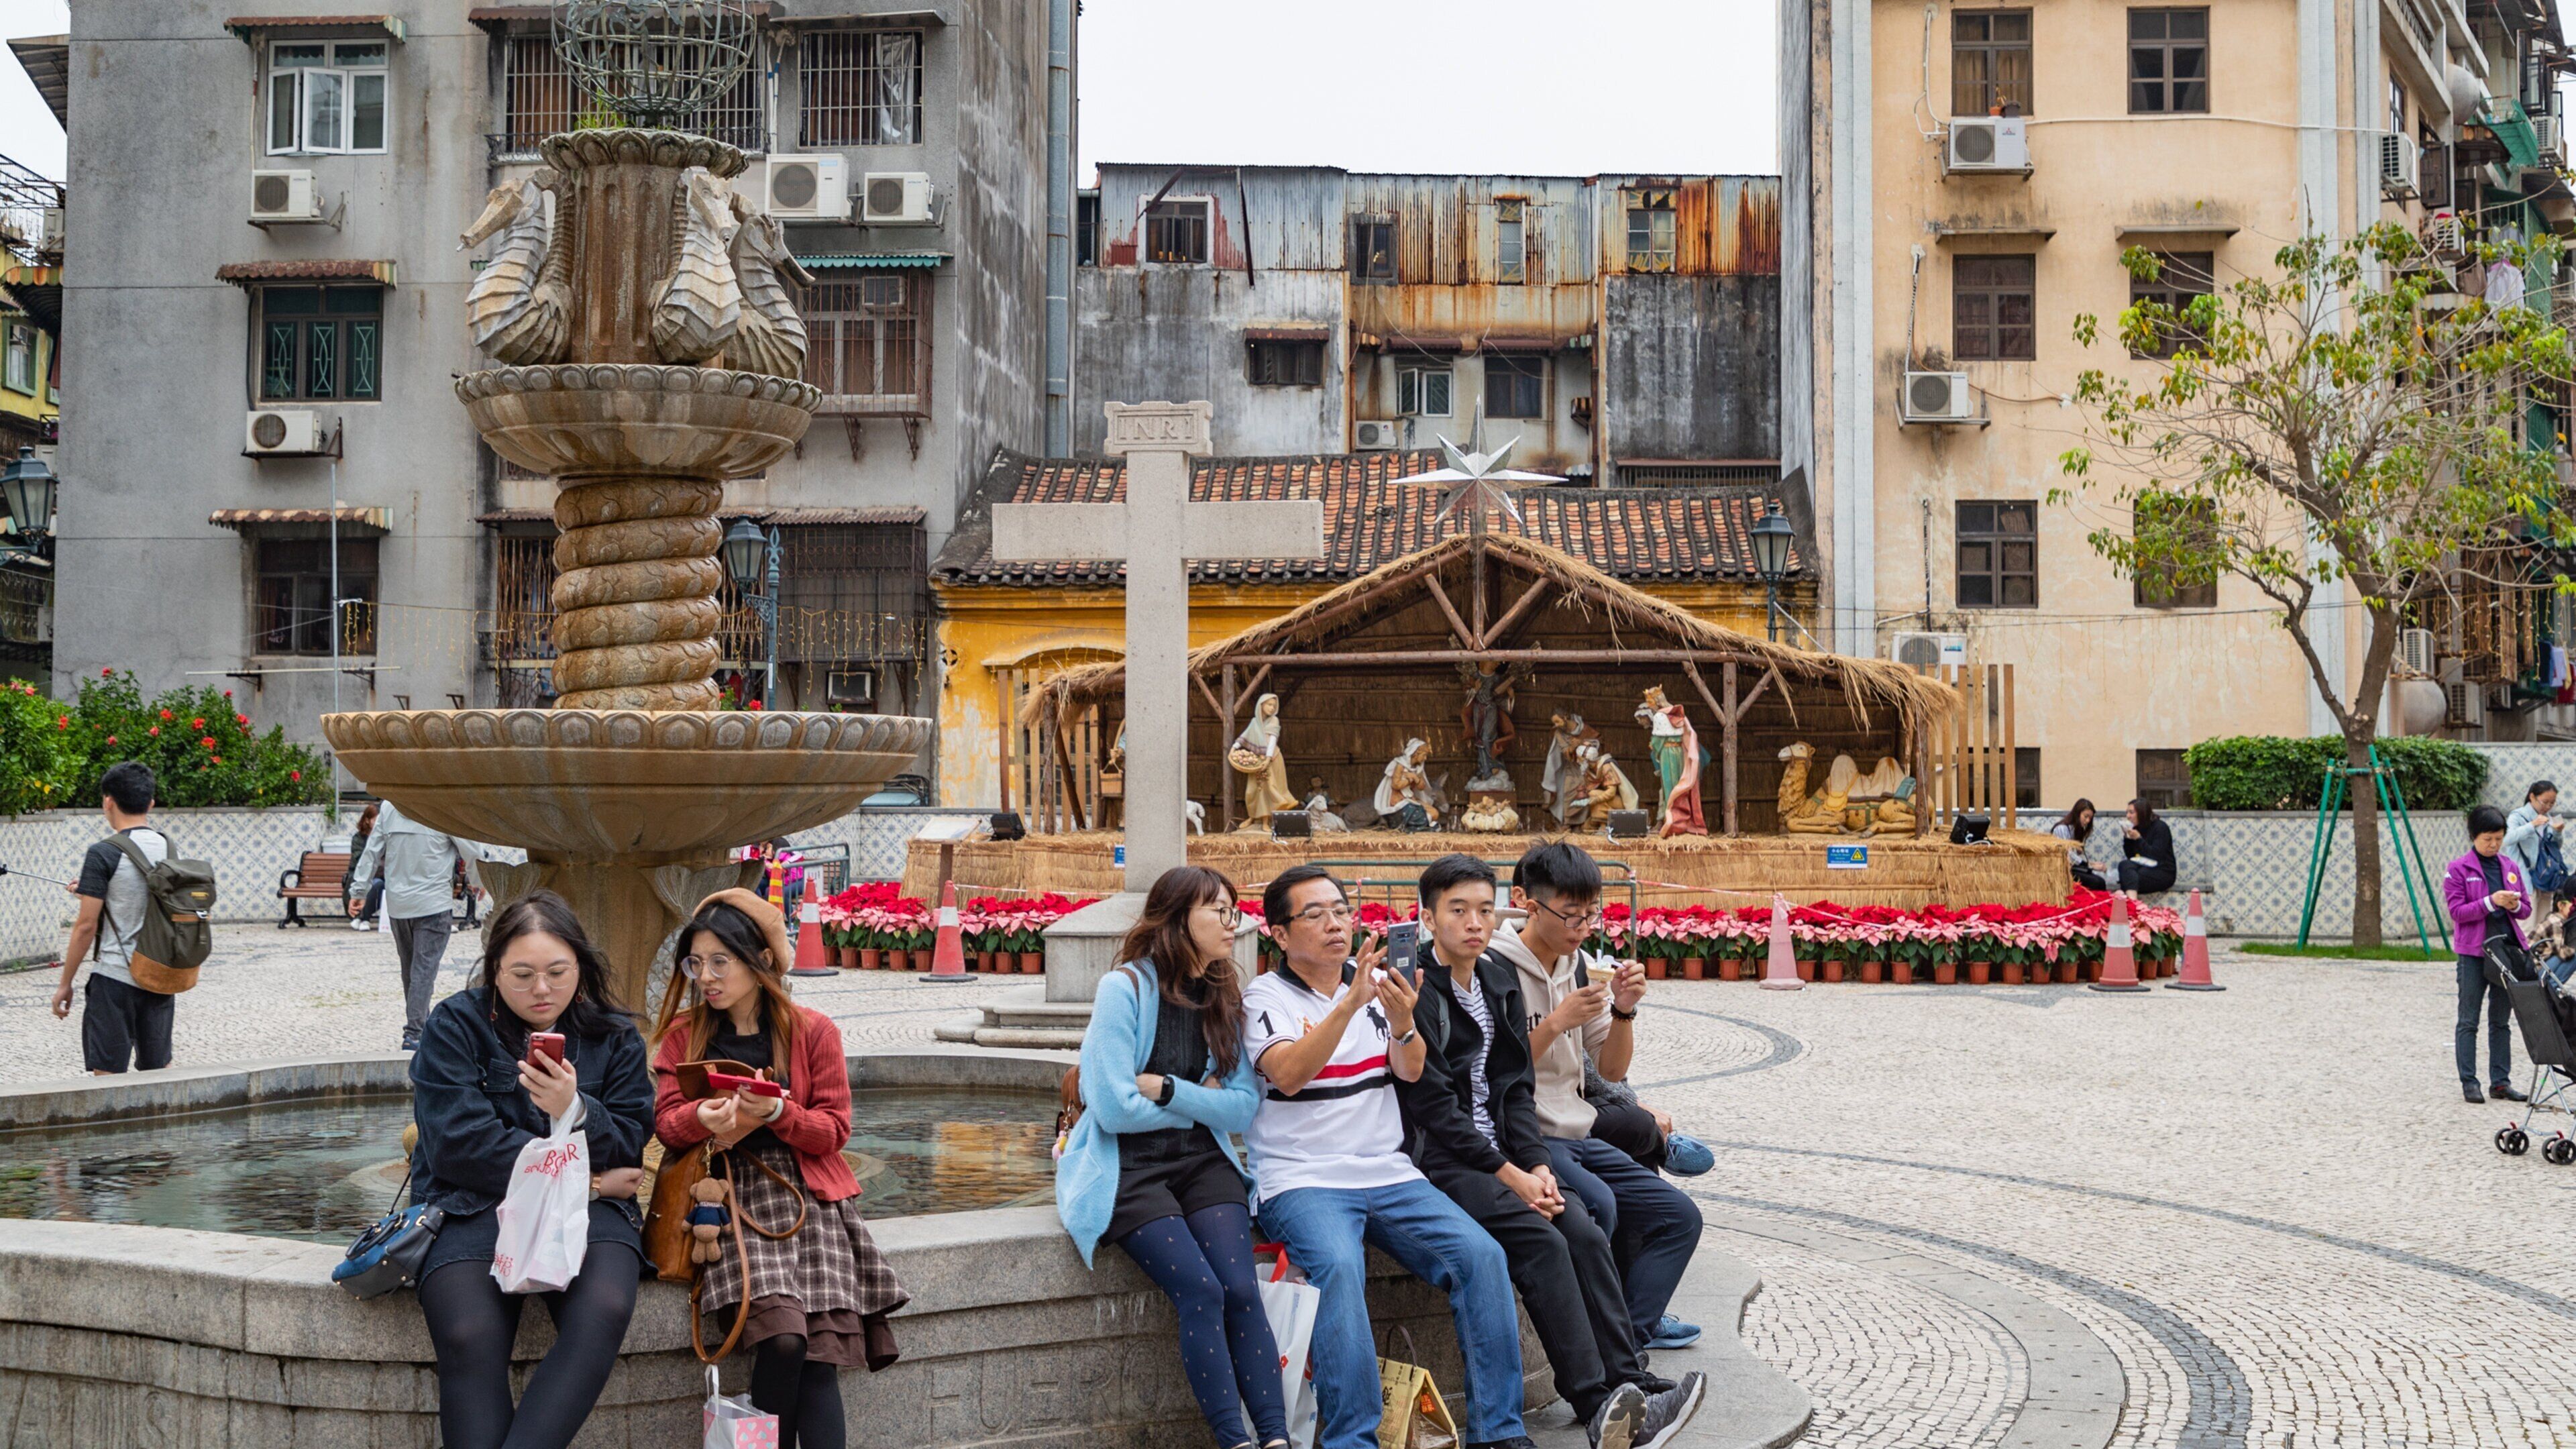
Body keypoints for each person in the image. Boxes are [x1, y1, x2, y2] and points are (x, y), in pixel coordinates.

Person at [1396, 854, 1705, 1449]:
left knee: (1584, 1231)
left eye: (1484, 910)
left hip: (1515, 1149)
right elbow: (1436, 1109)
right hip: (1448, 1159)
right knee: (1542, 1239)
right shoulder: (1418, 992)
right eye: (1457, 910)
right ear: (1428, 918)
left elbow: (1515, 1088)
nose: (1474, 923)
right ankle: (1598, 1405)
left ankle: (1629, 1381)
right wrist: (1513, 1173)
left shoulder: (1494, 980)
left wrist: (1535, 1162)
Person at [1245, 864, 1536, 1449]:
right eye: (1316, 915)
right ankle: (1353, 1440)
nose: (1335, 925)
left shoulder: (1376, 984)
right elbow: (1290, 1075)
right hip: (1302, 1179)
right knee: (1338, 1268)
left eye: (1340, 911)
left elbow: (1408, 1068)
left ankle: (1499, 1433)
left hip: (1389, 1172)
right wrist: (1350, 1005)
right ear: (1279, 934)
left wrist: (1403, 1023)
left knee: (1481, 1255)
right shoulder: (1264, 997)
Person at [653, 890, 907, 1449]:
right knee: (787, 1339)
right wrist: (701, 1115)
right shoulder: (683, 1034)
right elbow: (667, 1127)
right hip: (727, 1200)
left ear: (761, 960)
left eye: (721, 962)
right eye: (696, 963)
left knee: (818, 1358)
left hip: (807, 1198)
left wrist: (777, 1112)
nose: (706, 977)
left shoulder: (813, 1030)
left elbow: (835, 1130)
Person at [408, 891, 653, 1449]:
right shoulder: (454, 1025)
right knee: (469, 1332)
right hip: (472, 1203)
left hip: (591, 1215)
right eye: (522, 974)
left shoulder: (613, 1035)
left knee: (606, 1308)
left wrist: (575, 1109)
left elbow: (633, 1140)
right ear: (494, 969)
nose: (541, 990)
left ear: (580, 967)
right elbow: (457, 1146)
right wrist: (584, 1178)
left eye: (556, 972)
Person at [1057, 867, 1286, 1449]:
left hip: (1202, 1164)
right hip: (1128, 1169)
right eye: (1220, 911)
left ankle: (1278, 1439)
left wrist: (1163, 1089)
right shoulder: (1125, 989)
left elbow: (1240, 1111)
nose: (1233, 925)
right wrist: (1198, 1101)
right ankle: (1235, 1440)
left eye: (1235, 912)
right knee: (1201, 1291)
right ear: (1180, 917)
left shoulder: (1224, 995)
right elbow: (1111, 1110)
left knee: (1240, 1288)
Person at [1494, 841, 1705, 1352]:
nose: (1583, 926)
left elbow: (1610, 1069)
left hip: (1579, 1130)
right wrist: (1557, 1021)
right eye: (1571, 915)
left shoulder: (1579, 964)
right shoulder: (1492, 968)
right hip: (1525, 1136)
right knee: (1600, 1205)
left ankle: (1626, 1344)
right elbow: (1493, 1068)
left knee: (1680, 1217)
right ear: (1528, 903)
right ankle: (1605, 1353)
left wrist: (1624, 1010)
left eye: (1592, 914)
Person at [47, 761, 175, 1075]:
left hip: (116, 978)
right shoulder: (168, 847)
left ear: (108, 801)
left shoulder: (103, 852)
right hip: (159, 975)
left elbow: (86, 926)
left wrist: (65, 983)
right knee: (159, 1074)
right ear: (150, 803)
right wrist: (92, 891)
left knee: (109, 1078)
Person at [354, 799, 496, 1051]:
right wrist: (478, 879)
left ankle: (421, 1029)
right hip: (433, 905)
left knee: (412, 970)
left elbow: (372, 852)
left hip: (398, 905)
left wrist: (360, 889)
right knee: (423, 970)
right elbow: (470, 848)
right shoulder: (443, 804)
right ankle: (415, 1034)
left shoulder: (389, 806)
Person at [2445, 804, 2534, 1106]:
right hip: (2474, 953)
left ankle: (2501, 1082)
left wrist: (2513, 906)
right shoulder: (2458, 869)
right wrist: (2489, 902)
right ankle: (2469, 1082)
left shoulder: (2509, 867)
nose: (2494, 845)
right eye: (2487, 839)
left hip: (2506, 952)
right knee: (2469, 1019)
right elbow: (2457, 912)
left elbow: (2526, 909)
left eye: (2499, 838)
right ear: (2473, 836)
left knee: (2501, 1021)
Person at [2506, 781, 2565, 919]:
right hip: (2525, 878)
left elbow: (2555, 849)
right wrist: (2532, 825)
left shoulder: (2548, 819)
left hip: (2546, 878)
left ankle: (2542, 943)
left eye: (2552, 803)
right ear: (2532, 797)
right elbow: (2507, 839)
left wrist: (2557, 833)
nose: (2548, 807)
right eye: (2545, 802)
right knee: (2526, 925)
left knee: (2543, 925)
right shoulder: (2518, 816)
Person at [2114, 800, 2176, 898]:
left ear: (2142, 813)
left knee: (2132, 877)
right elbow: (2131, 856)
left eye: (2131, 812)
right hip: (2143, 868)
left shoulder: (2160, 827)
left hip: (2163, 871)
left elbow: (2156, 855)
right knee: (2124, 865)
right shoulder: (2136, 828)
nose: (2128, 816)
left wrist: (2139, 839)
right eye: (2127, 812)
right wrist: (2128, 838)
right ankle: (2134, 903)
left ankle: (2132, 905)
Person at [345, 801, 386, 930]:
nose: (378, 823)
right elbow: (361, 861)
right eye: (375, 819)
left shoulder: (385, 838)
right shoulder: (359, 838)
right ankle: (364, 918)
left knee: (380, 884)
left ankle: (362, 918)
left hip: (381, 876)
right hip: (359, 877)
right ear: (367, 820)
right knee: (376, 884)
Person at [2053, 799, 2108, 892]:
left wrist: (2091, 864)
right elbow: (2068, 854)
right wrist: (2089, 865)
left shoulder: (2075, 830)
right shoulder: (2062, 829)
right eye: (2086, 817)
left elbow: (2075, 858)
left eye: (2090, 818)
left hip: (2071, 869)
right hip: (2061, 871)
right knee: (2098, 882)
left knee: (2100, 881)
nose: (2087, 821)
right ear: (2077, 813)